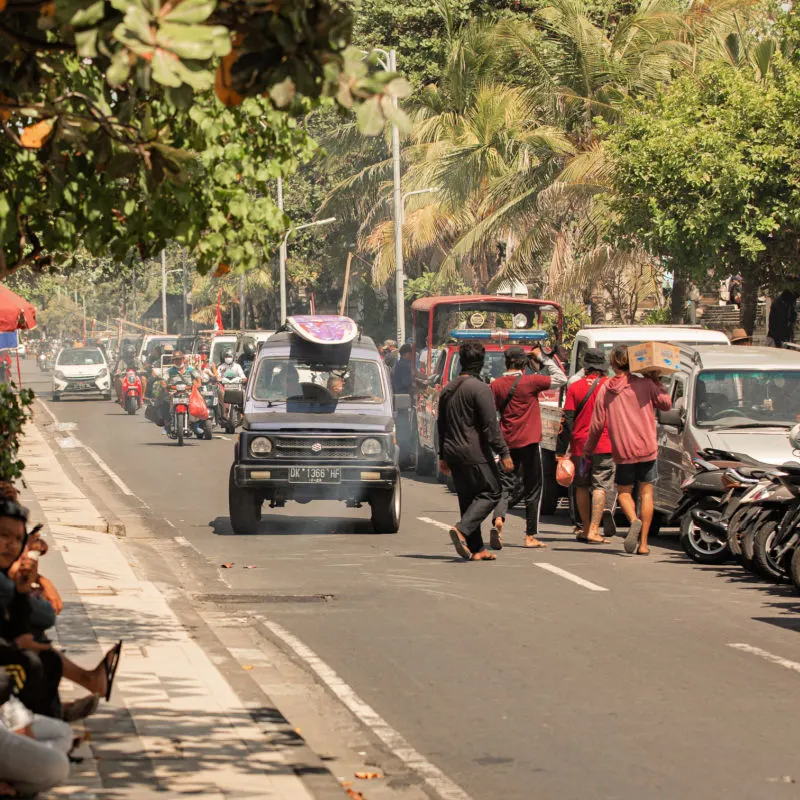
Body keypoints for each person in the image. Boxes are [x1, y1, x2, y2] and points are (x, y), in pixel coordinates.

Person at [584, 345, 671, 555]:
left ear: (612, 364)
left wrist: (588, 448)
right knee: (646, 492)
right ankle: (643, 544)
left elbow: (596, 424)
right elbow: (666, 405)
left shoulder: (606, 388)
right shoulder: (646, 384)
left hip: (623, 451)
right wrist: (657, 380)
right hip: (647, 448)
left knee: (624, 492)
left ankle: (633, 520)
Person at [437, 341, 514, 561]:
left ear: (461, 362)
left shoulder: (447, 389)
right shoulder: (481, 389)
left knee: (468, 497)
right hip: (474, 452)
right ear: (481, 364)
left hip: (452, 451)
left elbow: (440, 425)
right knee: (492, 491)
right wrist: (504, 453)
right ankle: (462, 529)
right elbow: (491, 426)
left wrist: (443, 455)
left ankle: (477, 549)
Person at [489, 345, 566, 549]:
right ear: (524, 364)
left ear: (506, 363)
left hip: (506, 443)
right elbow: (561, 379)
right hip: (530, 442)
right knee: (533, 488)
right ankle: (530, 535)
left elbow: (491, 413)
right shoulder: (530, 381)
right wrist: (542, 358)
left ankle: (498, 518)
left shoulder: (496, 385)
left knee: (505, 484)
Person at [555, 348, 615, 544]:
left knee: (581, 486)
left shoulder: (575, 387)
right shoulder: (611, 386)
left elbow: (567, 421)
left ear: (585, 366)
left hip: (580, 446)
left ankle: (585, 527)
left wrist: (560, 450)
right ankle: (594, 531)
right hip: (605, 444)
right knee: (600, 485)